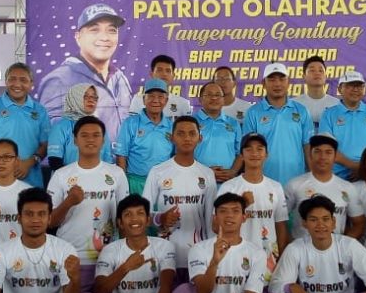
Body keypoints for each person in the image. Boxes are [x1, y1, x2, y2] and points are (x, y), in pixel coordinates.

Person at [164, 193, 291, 293]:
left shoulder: (256, 253)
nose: (229, 215)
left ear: (244, 217)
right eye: (223, 211)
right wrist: (214, 262)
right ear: (215, 217)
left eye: (235, 211)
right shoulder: (199, 249)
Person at [82, 194, 177, 293]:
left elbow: (166, 285)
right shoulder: (110, 250)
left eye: (140, 213)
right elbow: (99, 291)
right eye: (128, 214)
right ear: (120, 223)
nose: (134, 219)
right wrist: (125, 268)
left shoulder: (164, 246)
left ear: (148, 220)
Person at [48, 116, 129, 289]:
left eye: (96, 135)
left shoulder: (117, 174)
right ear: (75, 140)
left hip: (107, 258)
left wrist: (123, 254)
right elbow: (50, 222)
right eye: (84, 135)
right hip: (70, 257)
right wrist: (68, 202)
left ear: (103, 140)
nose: (90, 139)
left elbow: (125, 220)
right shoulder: (61, 175)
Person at [36, 3, 133, 141]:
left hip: (118, 156)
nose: (104, 37)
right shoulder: (59, 79)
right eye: (94, 30)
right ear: (78, 37)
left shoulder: (120, 78)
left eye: (112, 30)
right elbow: (52, 135)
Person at [143, 116, 217, 277]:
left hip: (198, 254)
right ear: (172, 137)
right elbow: (143, 216)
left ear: (200, 138)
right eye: (181, 133)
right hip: (164, 254)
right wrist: (161, 218)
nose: (187, 138)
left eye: (192, 133)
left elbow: (210, 219)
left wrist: (211, 253)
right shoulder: (157, 172)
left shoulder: (207, 174)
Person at [218, 133, 289, 270]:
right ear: (241, 155)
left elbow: (280, 226)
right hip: (236, 259)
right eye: (249, 149)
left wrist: (281, 259)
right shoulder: (229, 187)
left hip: (268, 260)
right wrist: (242, 204)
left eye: (259, 149)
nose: (254, 153)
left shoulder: (276, 187)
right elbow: (216, 226)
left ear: (266, 154)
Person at [0, 63, 50, 188]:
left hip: (31, 182)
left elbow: (45, 144)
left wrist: (29, 163)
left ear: (31, 84)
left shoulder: (40, 110)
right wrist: (8, 163)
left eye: (23, 80)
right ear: (6, 81)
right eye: (12, 79)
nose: (17, 84)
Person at [243, 63, 313, 186]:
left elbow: (307, 145)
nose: (277, 84)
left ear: (288, 82)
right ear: (263, 83)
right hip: (264, 182)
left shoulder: (301, 110)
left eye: (282, 79)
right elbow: (248, 149)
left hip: (297, 181)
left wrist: (313, 177)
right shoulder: (253, 112)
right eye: (272, 79)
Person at [285, 134, 365, 240]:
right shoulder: (294, 185)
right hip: (301, 249)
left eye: (328, 152)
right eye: (317, 151)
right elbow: (279, 220)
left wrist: (342, 245)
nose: (323, 157)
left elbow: (359, 223)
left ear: (335, 156)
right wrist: (290, 244)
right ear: (310, 154)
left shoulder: (348, 188)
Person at [319, 71, 366, 181]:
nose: (356, 89)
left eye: (359, 86)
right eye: (351, 85)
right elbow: (327, 148)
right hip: (338, 177)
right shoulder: (328, 114)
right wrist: (355, 167)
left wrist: (365, 169)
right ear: (340, 89)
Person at [114, 78, 174, 195]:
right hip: (135, 182)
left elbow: (175, 156)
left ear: (166, 100)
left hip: (164, 183)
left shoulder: (172, 126)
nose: (155, 100)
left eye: (160, 97)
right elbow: (121, 156)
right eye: (151, 96)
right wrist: (123, 186)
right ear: (143, 99)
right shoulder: (130, 123)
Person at [47, 84, 112, 170]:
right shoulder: (61, 127)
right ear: (75, 98)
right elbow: (54, 161)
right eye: (85, 96)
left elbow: (108, 161)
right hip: (68, 177)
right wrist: (78, 176)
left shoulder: (98, 127)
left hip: (98, 177)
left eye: (94, 97)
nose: (91, 100)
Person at [194, 82, 242, 184]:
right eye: (209, 95)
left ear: (223, 100)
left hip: (227, 182)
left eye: (218, 95)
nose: (214, 98)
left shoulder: (233, 123)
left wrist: (233, 171)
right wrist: (205, 172)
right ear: (200, 99)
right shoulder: (190, 122)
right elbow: (182, 152)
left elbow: (241, 153)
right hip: (197, 181)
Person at [294, 55, 339, 128]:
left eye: (321, 70)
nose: (317, 73)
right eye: (312, 70)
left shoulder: (337, 105)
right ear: (304, 76)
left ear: (326, 76)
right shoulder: (294, 105)